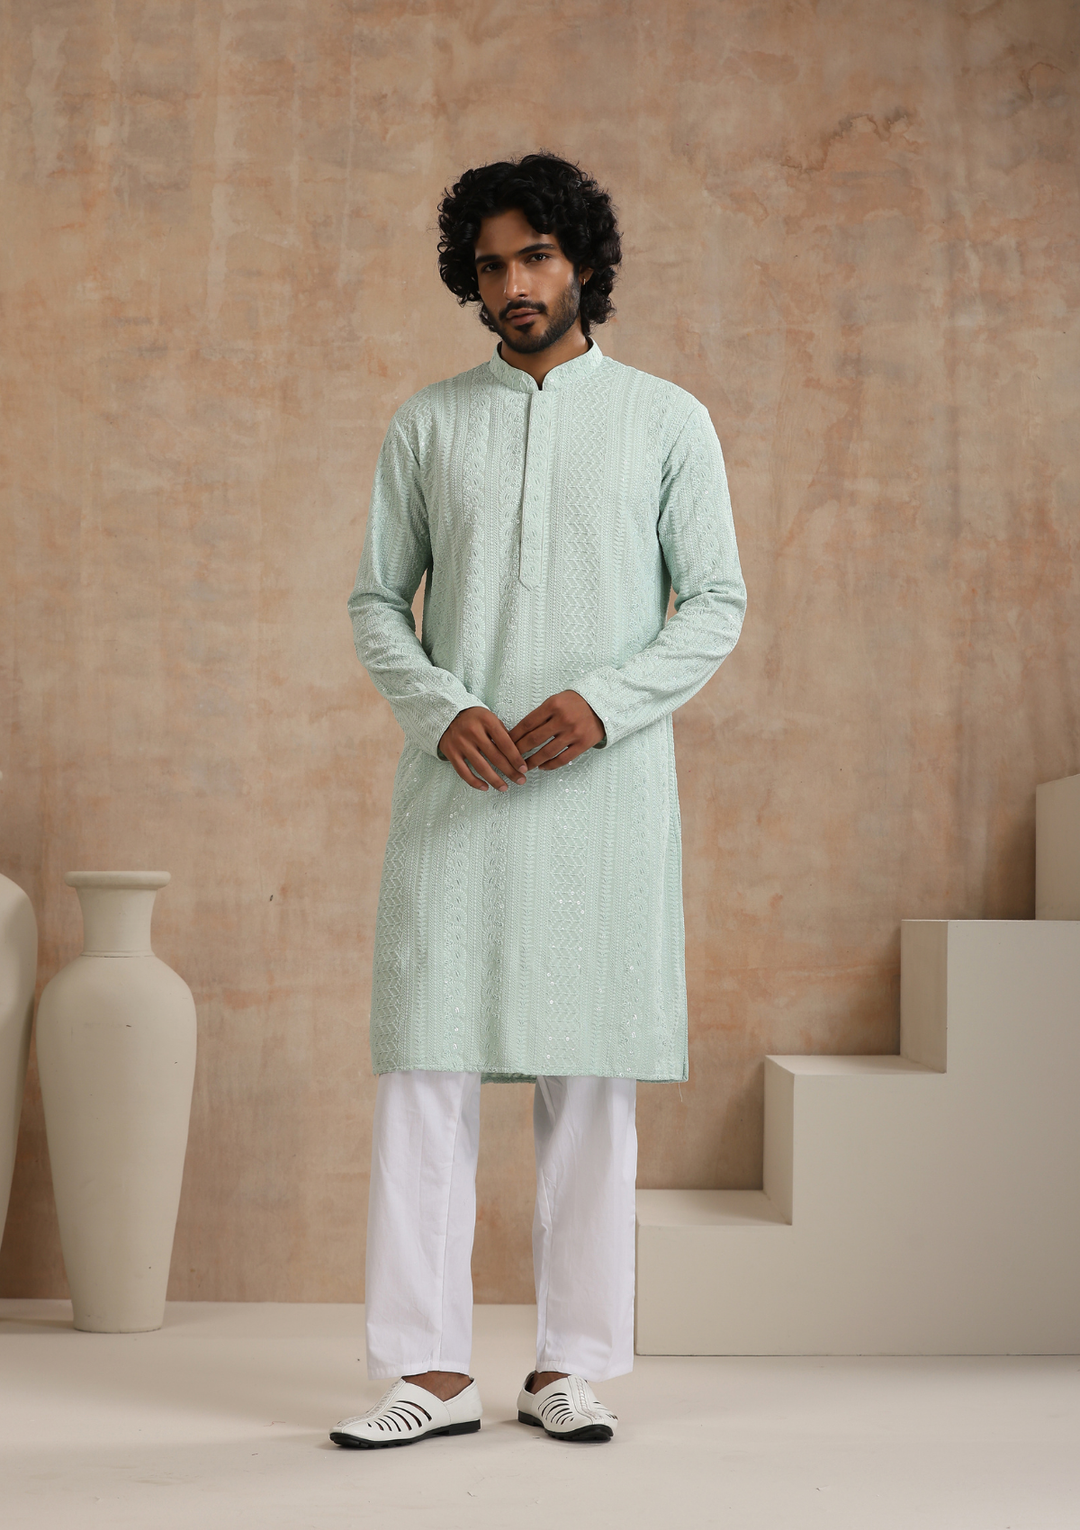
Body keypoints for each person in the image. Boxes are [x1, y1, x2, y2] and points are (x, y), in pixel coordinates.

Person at [332, 153, 746, 1449]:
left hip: (599, 801)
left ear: (583, 263)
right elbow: (375, 600)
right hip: (459, 788)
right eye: (493, 264)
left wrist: (606, 704)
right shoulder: (428, 424)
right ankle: (428, 1372)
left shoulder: (666, 420)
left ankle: (571, 1363)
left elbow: (716, 603)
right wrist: (438, 706)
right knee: (425, 1067)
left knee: (591, 1071)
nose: (514, 282)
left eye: (537, 256)